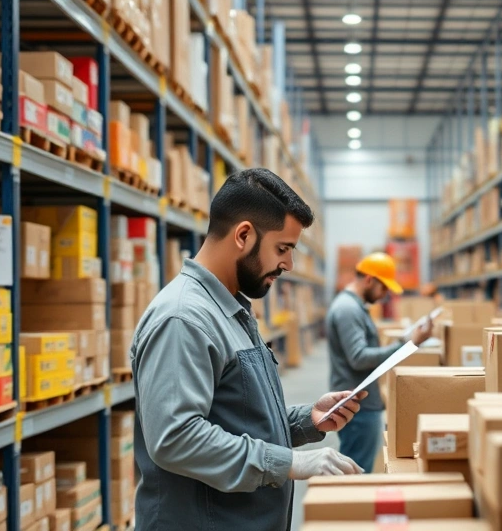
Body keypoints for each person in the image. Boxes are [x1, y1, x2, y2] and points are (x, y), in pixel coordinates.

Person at [131, 169, 364, 531]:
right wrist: (288, 463)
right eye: (282, 248)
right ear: (243, 235)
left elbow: (233, 416)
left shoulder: (231, 310)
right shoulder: (184, 318)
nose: (288, 264)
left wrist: (307, 421)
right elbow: (175, 438)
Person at [327, 253, 432, 472]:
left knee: (356, 467)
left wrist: (404, 340)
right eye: (383, 288)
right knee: (357, 471)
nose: (384, 296)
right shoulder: (348, 309)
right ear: (369, 280)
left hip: (360, 402)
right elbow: (359, 358)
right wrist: (408, 345)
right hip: (357, 405)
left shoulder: (353, 306)